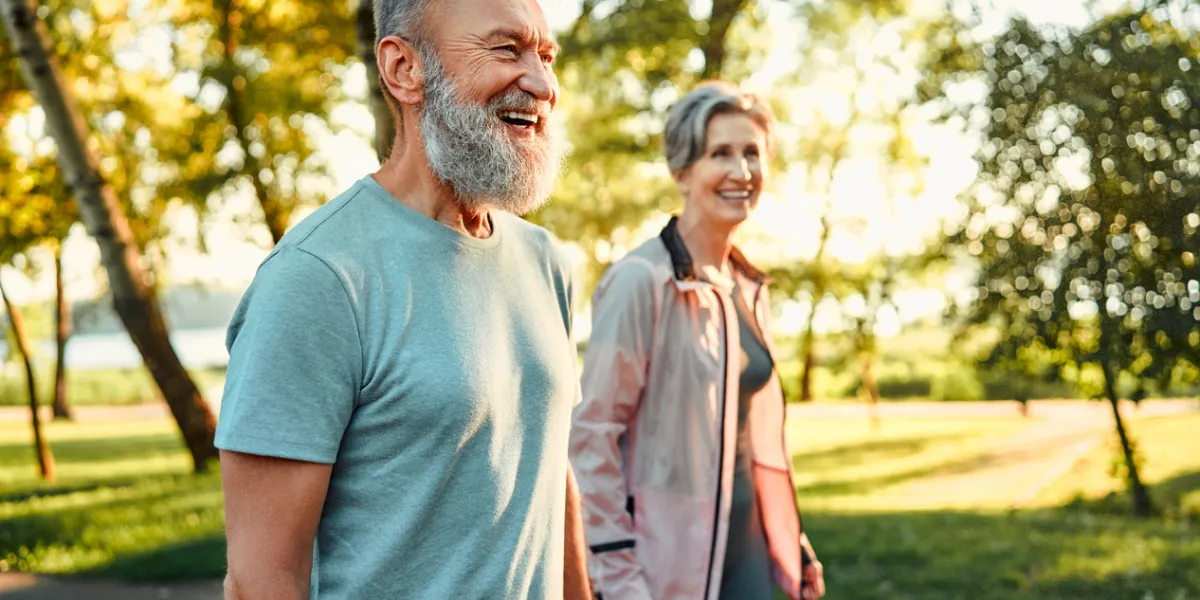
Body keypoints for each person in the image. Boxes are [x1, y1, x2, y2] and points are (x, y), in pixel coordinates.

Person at [214, 0, 592, 598]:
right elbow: (262, 577)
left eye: (546, 56)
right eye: (506, 49)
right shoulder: (317, 277)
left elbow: (549, 472)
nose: (543, 84)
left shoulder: (545, 261)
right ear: (403, 69)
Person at [569, 82, 826, 600]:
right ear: (682, 172)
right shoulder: (642, 280)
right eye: (721, 154)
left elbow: (753, 437)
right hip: (666, 565)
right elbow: (592, 437)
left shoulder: (749, 285)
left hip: (747, 551)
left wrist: (788, 538)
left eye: (752, 153)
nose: (742, 172)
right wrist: (617, 576)